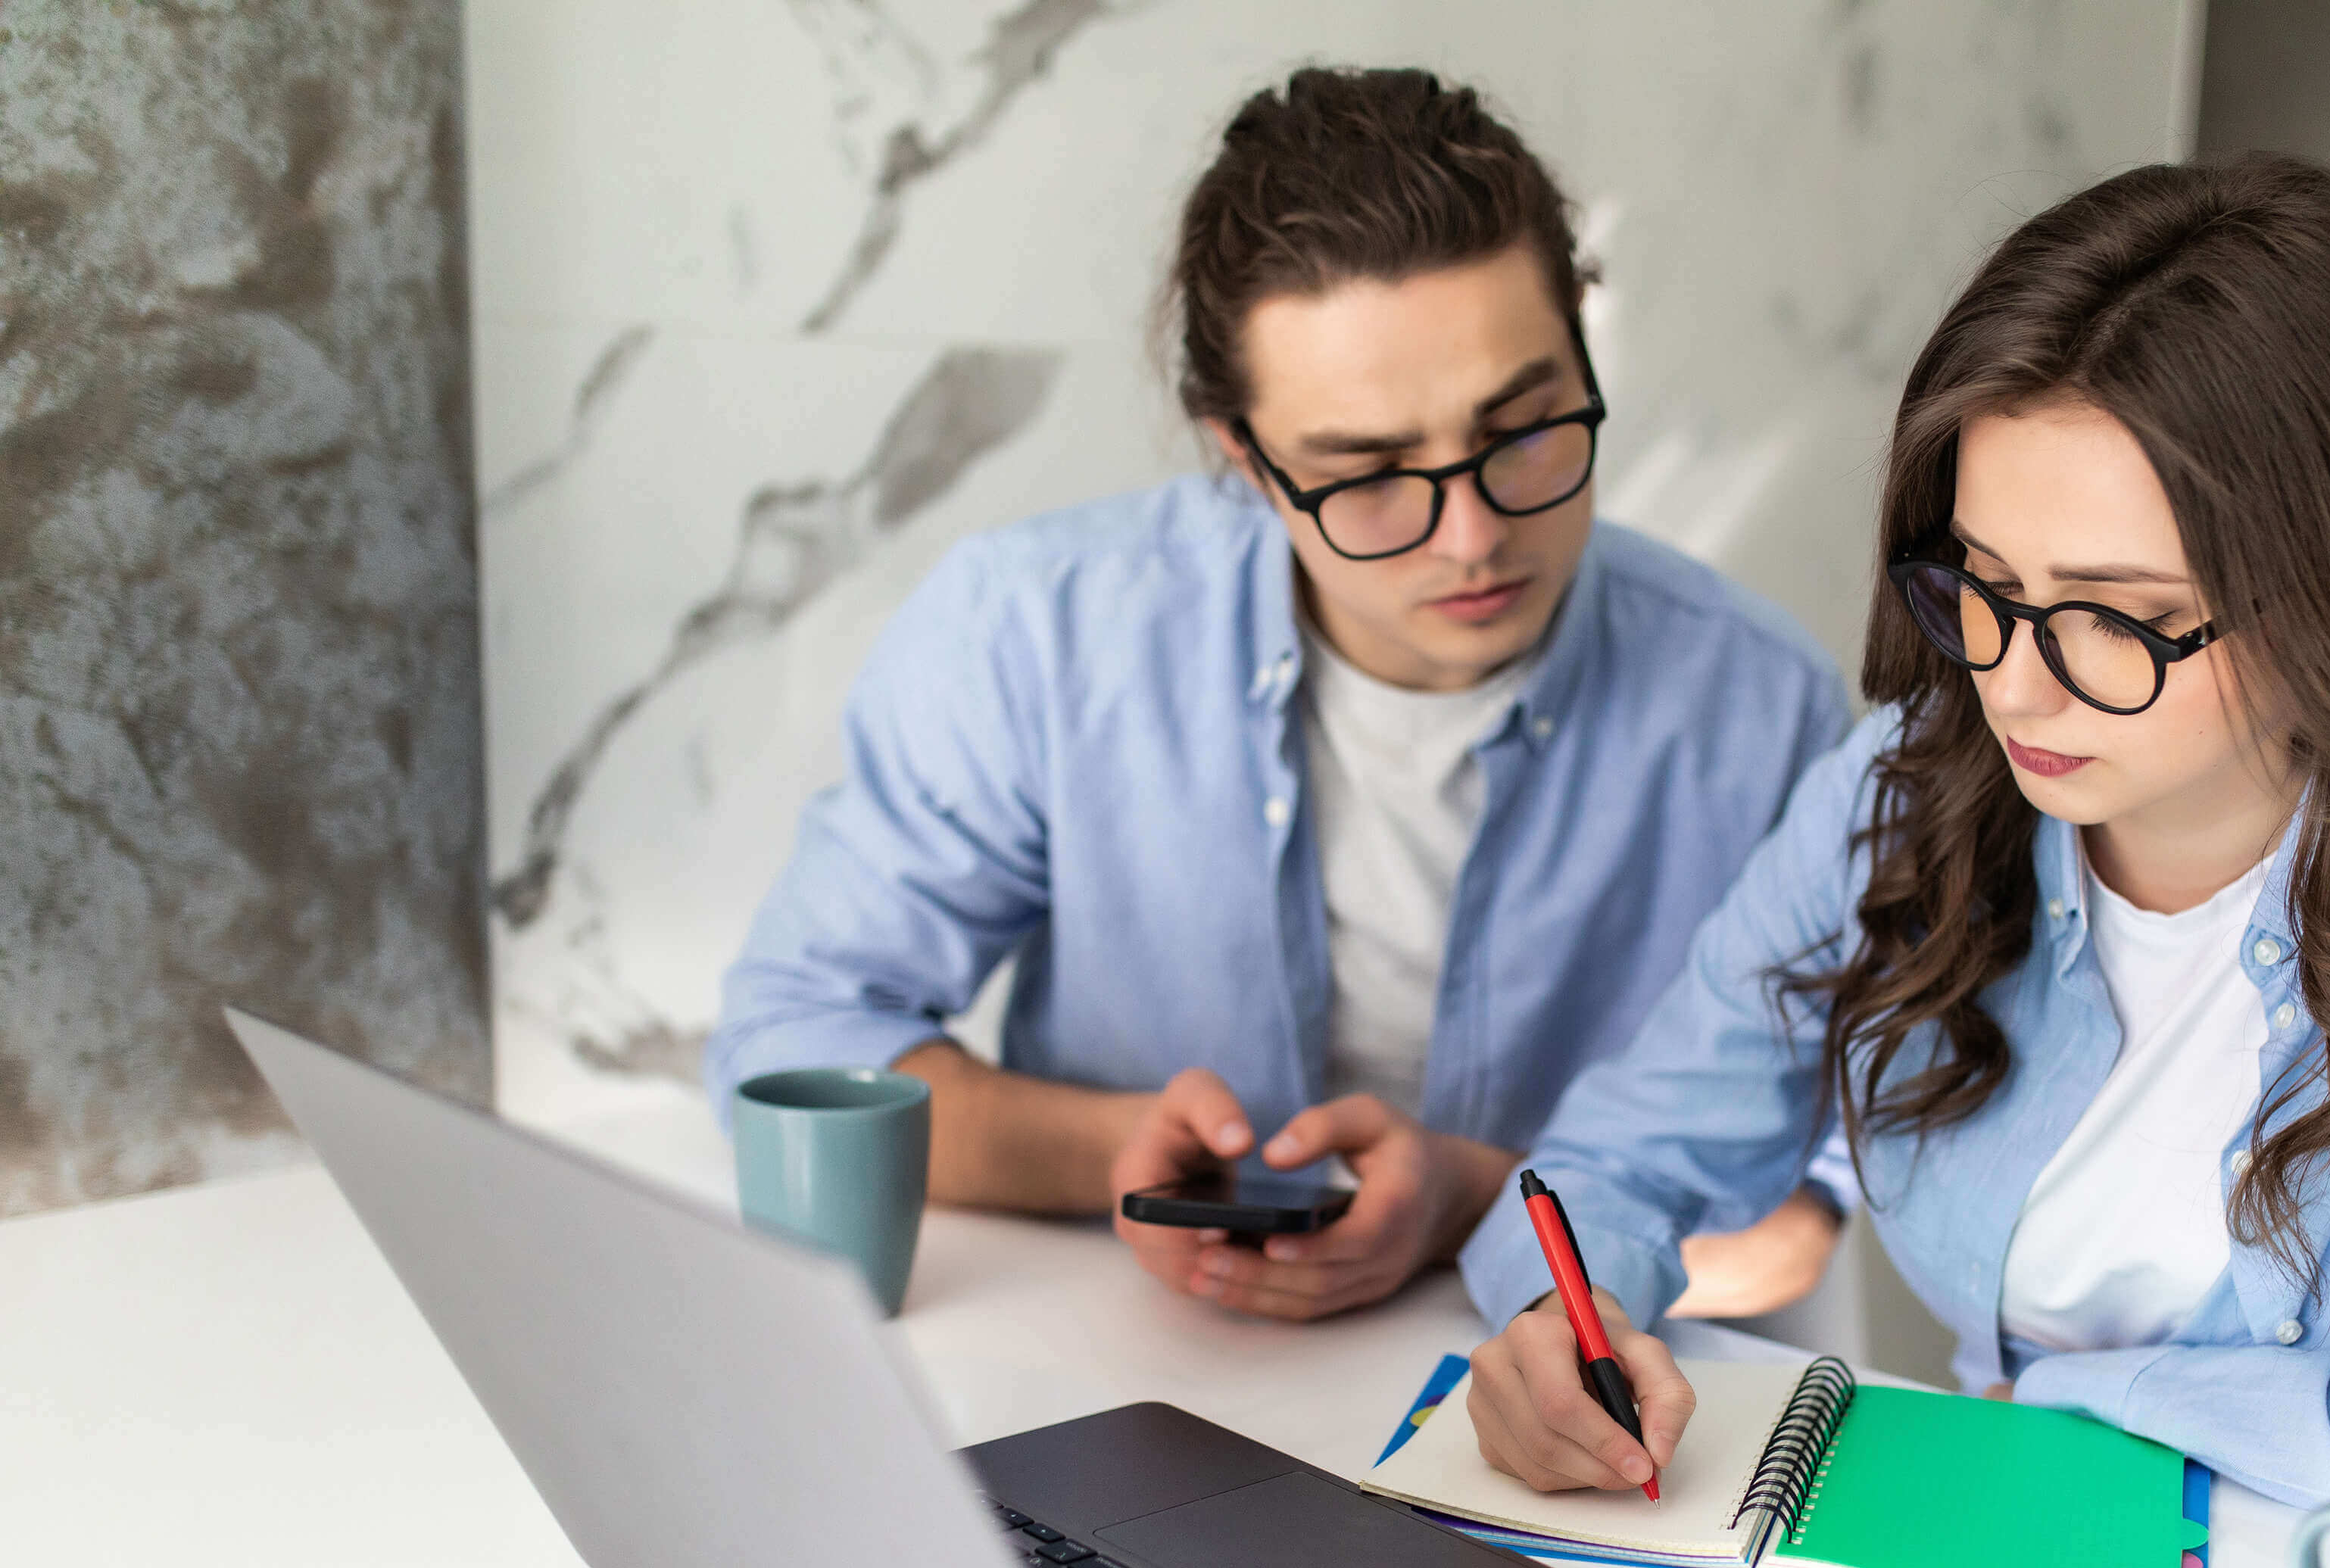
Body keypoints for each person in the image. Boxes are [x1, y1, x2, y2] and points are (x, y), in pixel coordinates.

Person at [1452, 155, 2330, 1508]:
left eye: (2115, 614)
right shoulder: (1904, 786)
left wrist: (2088, 1400)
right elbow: (1616, 1164)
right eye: (1985, 585)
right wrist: (1549, 1329)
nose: (2015, 683)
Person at [707, 67, 1849, 1321]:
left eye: (1524, 430)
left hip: (1579, 1401)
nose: (1470, 536)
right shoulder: (1039, 634)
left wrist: (1471, 1200)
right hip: (1139, 1374)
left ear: (1584, 345)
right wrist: (1116, 1151)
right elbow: (794, 1045)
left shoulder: (1763, 711)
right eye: (1365, 474)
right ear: (1244, 462)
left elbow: (1799, 1226)